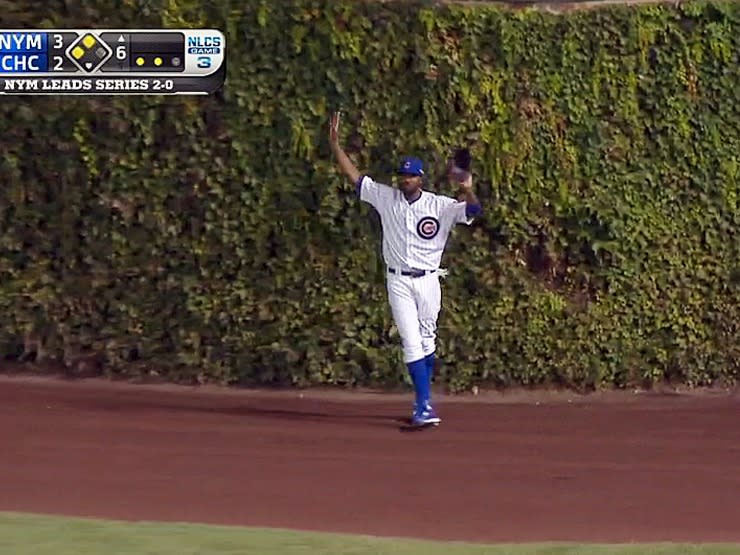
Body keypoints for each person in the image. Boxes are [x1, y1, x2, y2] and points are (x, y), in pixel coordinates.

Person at [328, 111, 482, 426]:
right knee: (411, 340)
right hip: (398, 279)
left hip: (429, 281)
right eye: (402, 175)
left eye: (411, 175)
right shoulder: (388, 198)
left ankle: (425, 400)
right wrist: (335, 145)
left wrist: (467, 187)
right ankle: (423, 405)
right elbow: (356, 178)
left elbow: (474, 211)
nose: (405, 179)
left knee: (427, 339)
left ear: (421, 178)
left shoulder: (438, 205)